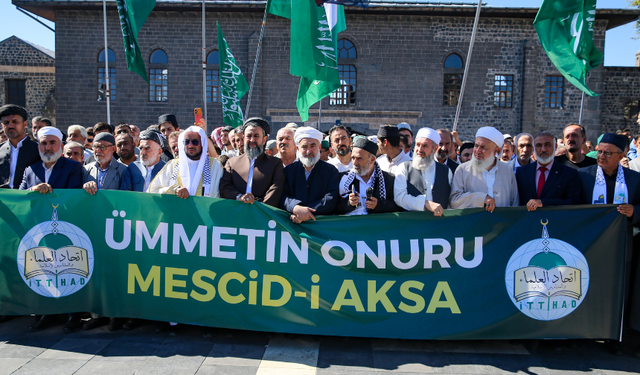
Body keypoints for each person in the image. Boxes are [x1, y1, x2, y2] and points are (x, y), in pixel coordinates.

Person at [577, 133, 640, 356]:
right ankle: (584, 333)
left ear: (621, 155)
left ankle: (615, 335)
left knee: (618, 293)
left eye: (607, 153)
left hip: (621, 247)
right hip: (589, 246)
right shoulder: (583, 176)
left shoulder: (634, 179)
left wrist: (635, 211)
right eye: (600, 151)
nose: (601, 156)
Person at [450, 126, 519, 211]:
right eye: (476, 146)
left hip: (502, 223)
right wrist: (481, 198)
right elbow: (454, 201)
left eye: (483, 147)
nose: (477, 151)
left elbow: (515, 203)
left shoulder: (507, 170)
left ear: (495, 150)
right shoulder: (463, 170)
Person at [220, 118, 285, 207]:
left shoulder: (275, 164)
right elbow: (225, 188)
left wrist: (257, 209)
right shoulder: (232, 163)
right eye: (249, 136)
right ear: (243, 138)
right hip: (236, 213)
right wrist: (240, 197)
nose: (252, 140)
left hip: (262, 214)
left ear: (264, 139)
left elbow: (275, 190)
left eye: (256, 136)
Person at [280, 127, 340, 223]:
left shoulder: (331, 171)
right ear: (297, 148)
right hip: (293, 224)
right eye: (304, 147)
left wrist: (305, 213)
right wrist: (295, 208)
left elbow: (330, 199)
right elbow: (283, 196)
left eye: (313, 146)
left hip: (320, 224)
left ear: (319, 147)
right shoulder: (288, 171)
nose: (309, 151)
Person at [148, 126, 223, 198]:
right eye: (186, 142)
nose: (190, 145)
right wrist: (174, 190)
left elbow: (220, 196)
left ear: (203, 143)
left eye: (195, 142)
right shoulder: (173, 165)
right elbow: (153, 191)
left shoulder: (215, 165)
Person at [515, 131, 581, 211]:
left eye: (547, 145)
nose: (543, 149)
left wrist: (543, 203)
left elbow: (574, 202)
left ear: (555, 146)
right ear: (533, 148)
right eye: (539, 145)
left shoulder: (568, 173)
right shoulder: (521, 173)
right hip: (528, 221)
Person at [394, 127, 452, 215]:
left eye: (425, 146)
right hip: (413, 224)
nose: (419, 150)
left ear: (435, 148)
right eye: (417, 145)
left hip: (439, 224)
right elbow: (399, 197)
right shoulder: (403, 167)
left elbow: (450, 201)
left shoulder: (446, 171)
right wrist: (425, 203)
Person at [336, 137, 399, 215]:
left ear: (372, 160)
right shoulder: (342, 178)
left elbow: (398, 206)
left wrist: (378, 205)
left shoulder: (389, 180)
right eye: (353, 158)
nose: (355, 163)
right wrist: (349, 203)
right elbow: (333, 206)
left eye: (359, 158)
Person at [19, 126, 83, 192]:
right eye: (43, 143)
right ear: (38, 147)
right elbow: (20, 196)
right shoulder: (30, 170)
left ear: (61, 146)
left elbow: (73, 195)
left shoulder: (73, 167)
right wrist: (32, 190)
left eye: (52, 143)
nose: (48, 147)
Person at [0, 104, 41, 189]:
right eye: (6, 123)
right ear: (2, 126)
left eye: (15, 122)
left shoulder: (38, 149)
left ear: (25, 124)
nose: (10, 125)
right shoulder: (0, 149)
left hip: (28, 199)